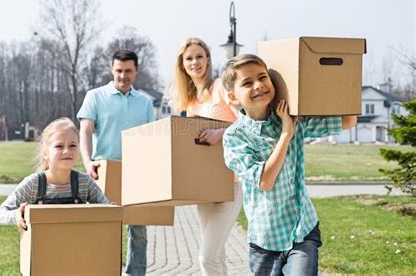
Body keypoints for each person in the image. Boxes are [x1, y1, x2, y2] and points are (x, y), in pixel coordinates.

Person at [221, 54, 357, 276]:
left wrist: (345, 76)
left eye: (263, 77)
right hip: (266, 240)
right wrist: (286, 133)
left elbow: (348, 121)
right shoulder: (235, 137)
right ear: (233, 97)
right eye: (247, 83)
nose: (258, 85)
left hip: (302, 230)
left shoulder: (293, 118)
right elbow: (265, 181)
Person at [168, 38, 243, 275]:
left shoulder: (221, 87)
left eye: (199, 56)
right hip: (205, 188)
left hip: (231, 183)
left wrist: (220, 133)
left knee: (206, 257)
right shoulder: (190, 102)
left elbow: (247, 123)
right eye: (189, 58)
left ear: (208, 59)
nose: (195, 62)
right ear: (182, 65)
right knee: (216, 256)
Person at [77, 49, 154, 276]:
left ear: (136, 71)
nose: (123, 76)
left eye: (128, 71)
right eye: (119, 70)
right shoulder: (95, 96)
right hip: (103, 170)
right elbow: (85, 132)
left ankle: (135, 274)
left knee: (138, 230)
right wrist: (88, 162)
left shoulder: (145, 103)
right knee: (105, 228)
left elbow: (152, 139)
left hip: (136, 172)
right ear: (112, 69)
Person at [0, 117, 110, 229]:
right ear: (45, 153)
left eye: (73, 145)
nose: (66, 151)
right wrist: (17, 215)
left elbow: (108, 210)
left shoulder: (85, 183)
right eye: (59, 146)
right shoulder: (34, 184)